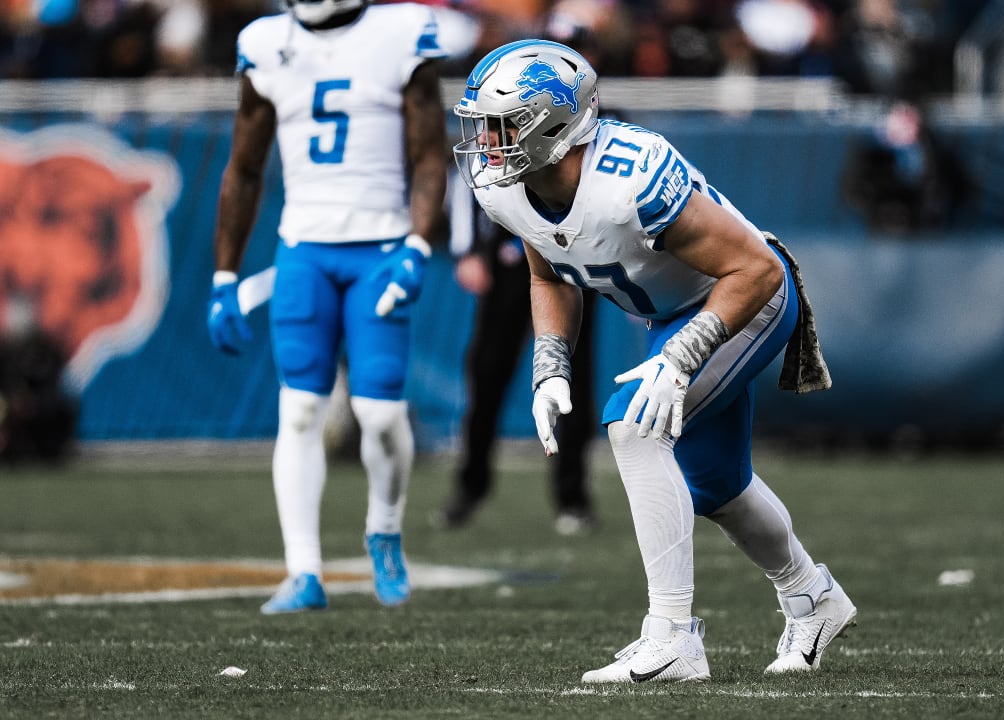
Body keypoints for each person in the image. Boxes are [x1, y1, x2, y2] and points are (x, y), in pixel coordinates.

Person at [451, 39, 855, 682]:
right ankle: (813, 597)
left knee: (632, 424)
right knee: (719, 487)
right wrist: (550, 366)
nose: (486, 142)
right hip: (670, 317)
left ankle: (672, 636)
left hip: (745, 300)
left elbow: (753, 269)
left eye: (501, 126)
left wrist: (681, 357)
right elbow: (550, 274)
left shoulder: (631, 175)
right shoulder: (504, 189)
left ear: (553, 124)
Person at [206, 0, 448, 613]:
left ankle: (384, 529)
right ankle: (302, 570)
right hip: (304, 251)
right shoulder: (265, 42)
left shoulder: (399, 31)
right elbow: (244, 166)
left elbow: (429, 153)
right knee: (299, 410)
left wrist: (419, 244)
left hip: (382, 246)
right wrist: (223, 275)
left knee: (380, 413)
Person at [438, 168, 600, 536]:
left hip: (570, 256)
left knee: (572, 381)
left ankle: (572, 497)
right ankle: (471, 485)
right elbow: (473, 174)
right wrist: (469, 250)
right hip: (507, 262)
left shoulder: (596, 123)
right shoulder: (494, 129)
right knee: (487, 375)